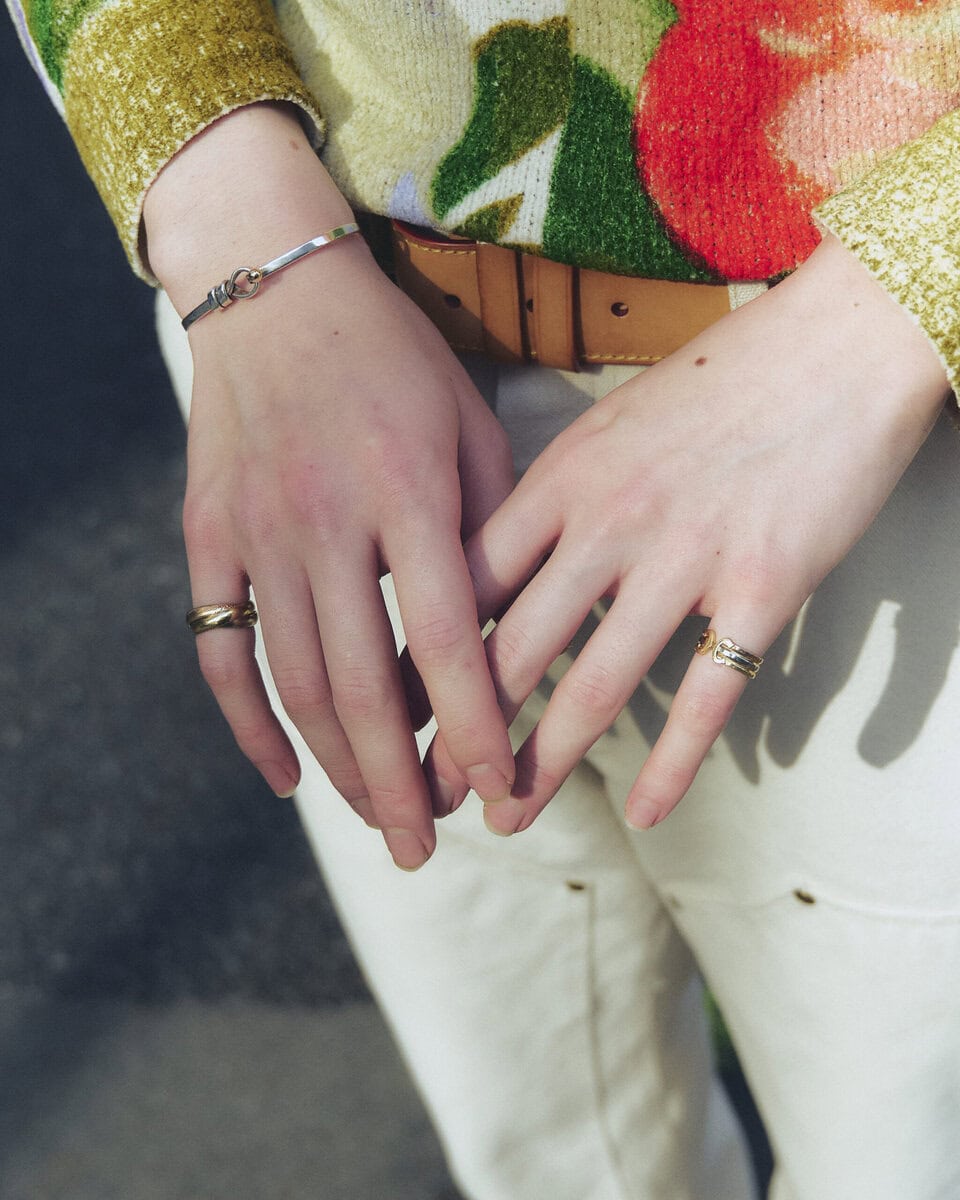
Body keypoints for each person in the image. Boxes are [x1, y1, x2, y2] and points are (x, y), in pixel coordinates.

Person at [10, 1, 960, 1196]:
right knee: (540, 1152)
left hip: (879, 423)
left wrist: (910, 284)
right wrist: (230, 220)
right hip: (317, 356)